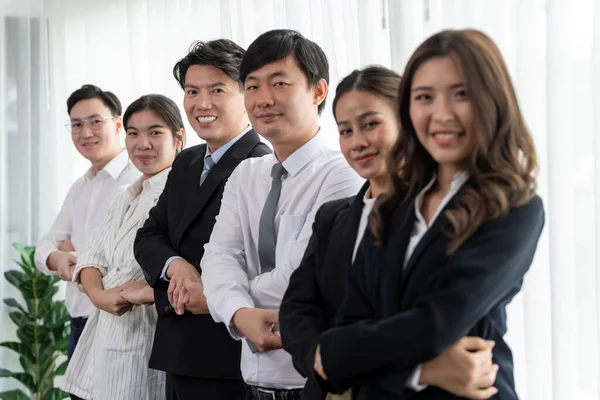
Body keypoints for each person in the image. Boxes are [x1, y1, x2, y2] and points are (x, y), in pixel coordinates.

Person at [314, 29, 545, 399]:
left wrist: (342, 354)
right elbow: (349, 322)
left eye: (461, 94)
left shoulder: (513, 208)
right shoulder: (394, 206)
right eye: (424, 97)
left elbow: (437, 322)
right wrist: (425, 369)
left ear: (492, 100)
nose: (442, 114)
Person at [280, 65, 498, 400]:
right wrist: (321, 361)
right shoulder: (332, 217)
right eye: (345, 131)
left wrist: (345, 359)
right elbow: (297, 309)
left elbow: (434, 324)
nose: (358, 142)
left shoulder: (444, 214)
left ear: (408, 121)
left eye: (371, 124)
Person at [200, 29, 364, 400]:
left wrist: (221, 298)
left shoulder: (343, 172)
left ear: (319, 91)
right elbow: (219, 254)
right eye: (253, 86)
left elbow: (300, 278)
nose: (264, 99)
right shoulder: (247, 173)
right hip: (250, 383)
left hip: (313, 383)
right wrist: (240, 312)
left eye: (279, 83)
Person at [133, 39, 271, 400]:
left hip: (227, 356)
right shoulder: (187, 161)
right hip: (176, 352)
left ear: (246, 93)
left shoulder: (261, 164)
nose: (202, 103)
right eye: (192, 91)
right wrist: (176, 266)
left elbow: (253, 264)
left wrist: (181, 289)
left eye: (217, 90)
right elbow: (149, 235)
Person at [60, 94, 184, 400]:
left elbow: (137, 271)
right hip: (97, 342)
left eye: (155, 132)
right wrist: (100, 296)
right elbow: (92, 258)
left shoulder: (178, 195)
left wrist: (103, 290)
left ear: (178, 138)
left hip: (141, 344)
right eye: (133, 133)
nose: (142, 144)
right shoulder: (123, 195)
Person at [34, 85, 140, 368]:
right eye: (77, 124)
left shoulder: (138, 178)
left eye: (95, 121)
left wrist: (78, 257)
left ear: (118, 123)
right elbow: (43, 247)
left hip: (120, 325)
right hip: (78, 324)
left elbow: (124, 261)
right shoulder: (80, 187)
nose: (86, 132)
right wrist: (58, 257)